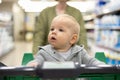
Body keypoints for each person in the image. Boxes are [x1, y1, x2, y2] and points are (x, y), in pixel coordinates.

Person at [27, 14, 105, 67]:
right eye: (52, 29)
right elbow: (37, 61)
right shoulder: (44, 52)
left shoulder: (80, 52)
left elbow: (91, 61)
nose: (53, 32)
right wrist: (34, 64)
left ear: (72, 39)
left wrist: (102, 66)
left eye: (60, 30)